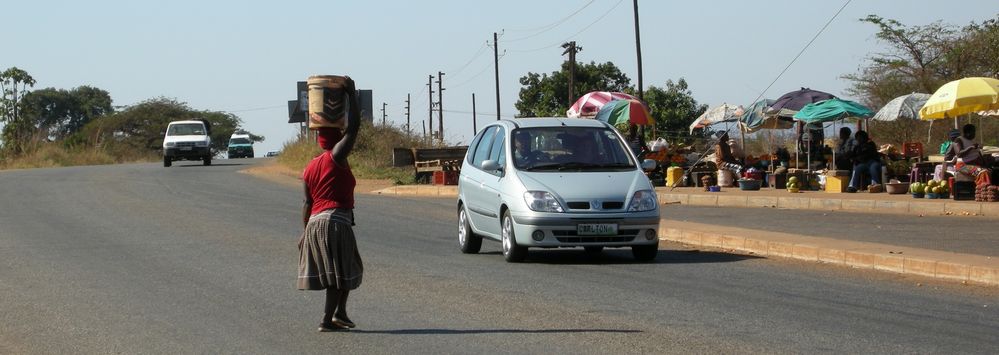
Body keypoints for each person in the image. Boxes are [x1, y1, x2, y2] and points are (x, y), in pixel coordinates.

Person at [298, 77, 364, 332]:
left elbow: (307, 202)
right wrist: (351, 95)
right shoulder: (335, 157)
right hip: (334, 220)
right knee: (339, 273)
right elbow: (355, 127)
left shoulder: (309, 167)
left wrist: (304, 232)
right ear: (337, 138)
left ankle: (341, 313)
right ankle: (327, 320)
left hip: (315, 223)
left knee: (347, 267)